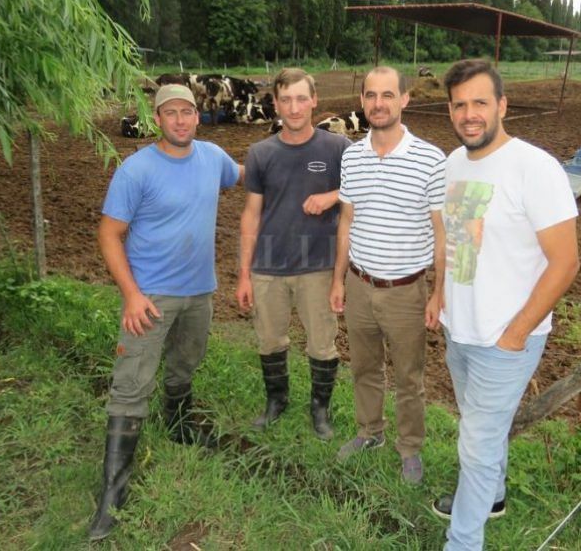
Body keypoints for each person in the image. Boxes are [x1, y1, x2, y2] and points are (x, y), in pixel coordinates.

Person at [431, 59, 579, 550]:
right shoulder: (454, 163)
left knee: (475, 442)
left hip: (506, 338)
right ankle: (492, 494)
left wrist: (515, 333)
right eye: (459, 105)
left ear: (501, 105)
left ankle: (463, 540)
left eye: (479, 102)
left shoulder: (535, 168)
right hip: (462, 328)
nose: (469, 114)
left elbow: (565, 263)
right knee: (481, 429)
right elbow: (454, 243)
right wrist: (441, 298)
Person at [89, 84, 241, 541]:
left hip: (200, 292)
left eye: (187, 112)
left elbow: (249, 173)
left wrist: (297, 162)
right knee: (132, 383)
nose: (180, 120)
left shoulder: (214, 158)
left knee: (184, 363)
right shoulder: (136, 170)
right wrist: (132, 296)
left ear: (198, 116)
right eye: (170, 113)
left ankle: (177, 425)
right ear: (157, 119)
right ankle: (112, 496)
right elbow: (109, 235)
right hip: (150, 296)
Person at [330, 66, 445, 485]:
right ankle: (369, 432)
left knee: (409, 376)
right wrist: (339, 280)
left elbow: (440, 231)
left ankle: (410, 447)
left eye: (388, 95)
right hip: (360, 285)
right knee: (364, 367)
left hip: (405, 291)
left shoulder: (431, 159)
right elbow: (346, 222)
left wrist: (437, 294)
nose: (379, 103)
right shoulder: (352, 156)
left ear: (404, 100)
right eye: (371, 96)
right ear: (362, 101)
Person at [236, 68, 350, 440]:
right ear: (275, 103)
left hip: (317, 265)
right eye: (286, 99)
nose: (295, 107)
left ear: (315, 100)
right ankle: (276, 400)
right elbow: (251, 214)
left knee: (321, 342)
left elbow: (358, 192)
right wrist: (243, 274)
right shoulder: (261, 153)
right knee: (269, 339)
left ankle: (320, 409)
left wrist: (331, 196)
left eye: (302, 98)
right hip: (268, 266)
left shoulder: (337, 148)